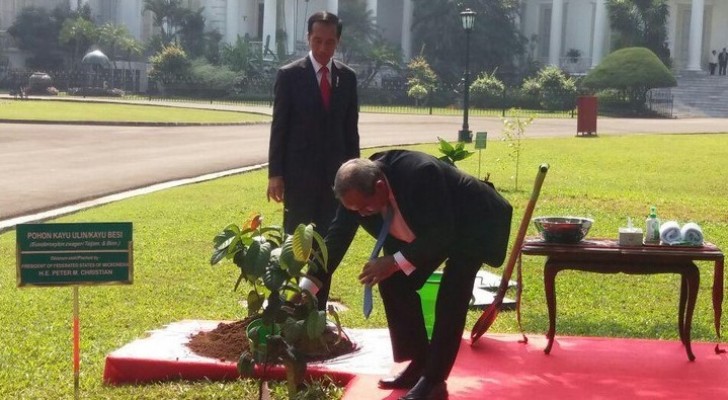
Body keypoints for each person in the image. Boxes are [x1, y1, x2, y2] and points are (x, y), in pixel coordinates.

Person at [306, 150, 513, 400]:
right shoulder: (356, 192)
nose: (362, 214)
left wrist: (393, 261)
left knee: (451, 296)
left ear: (381, 186)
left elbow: (442, 233)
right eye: (356, 210)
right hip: (428, 231)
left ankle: (434, 381)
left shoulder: (420, 173)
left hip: (472, 223)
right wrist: (306, 290)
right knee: (394, 282)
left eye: (365, 207)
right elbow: (336, 239)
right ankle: (420, 362)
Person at [267, 11, 360, 308]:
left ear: (338, 42)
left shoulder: (347, 78)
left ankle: (316, 311)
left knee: (325, 247)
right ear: (308, 38)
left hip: (336, 182)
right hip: (298, 179)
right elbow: (279, 127)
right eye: (317, 41)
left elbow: (351, 131)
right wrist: (275, 174)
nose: (323, 48)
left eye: (329, 42)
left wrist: (355, 177)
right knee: (295, 245)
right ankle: (286, 308)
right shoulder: (289, 76)